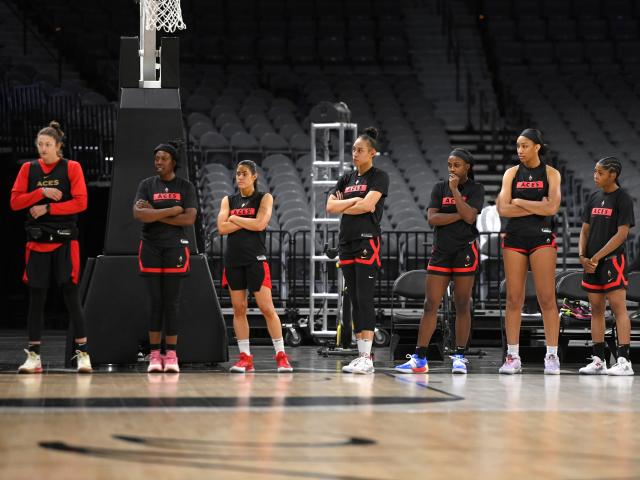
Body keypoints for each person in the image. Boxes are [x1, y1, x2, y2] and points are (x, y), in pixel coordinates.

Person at [10, 121, 92, 374]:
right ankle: (34, 357)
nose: (42, 149)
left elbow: (81, 203)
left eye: (47, 144)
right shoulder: (28, 169)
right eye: (39, 145)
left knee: (70, 295)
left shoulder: (72, 167)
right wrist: (42, 192)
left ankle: (83, 355)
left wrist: (49, 208)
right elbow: (15, 202)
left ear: (58, 146)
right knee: (36, 298)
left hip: (65, 241)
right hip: (37, 242)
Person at [395, 149, 484, 374]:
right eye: (449, 165)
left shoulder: (476, 189)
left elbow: (471, 217)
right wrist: (459, 214)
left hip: (465, 250)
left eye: (457, 165)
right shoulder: (438, 187)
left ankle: (460, 355)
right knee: (430, 304)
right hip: (441, 252)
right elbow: (433, 218)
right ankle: (420, 358)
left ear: (467, 167)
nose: (452, 169)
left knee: (462, 304)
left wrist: (455, 193)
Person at [496, 128, 562, 375]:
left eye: (525, 146)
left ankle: (552, 355)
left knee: (546, 298)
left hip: (542, 238)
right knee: (514, 299)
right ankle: (513, 356)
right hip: (515, 238)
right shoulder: (511, 173)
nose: (520, 151)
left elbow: (552, 207)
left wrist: (520, 202)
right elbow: (503, 209)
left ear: (537, 147)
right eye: (518, 146)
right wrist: (537, 206)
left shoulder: (551, 173)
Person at [217, 160, 293, 373]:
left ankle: (281, 356)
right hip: (233, 261)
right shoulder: (228, 200)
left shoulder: (264, 197)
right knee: (239, 309)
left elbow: (260, 224)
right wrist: (243, 220)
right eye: (237, 174)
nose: (239, 177)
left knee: (266, 308)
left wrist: (234, 218)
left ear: (254, 176)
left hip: (256, 260)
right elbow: (221, 228)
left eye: (244, 174)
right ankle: (245, 358)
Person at [327, 127, 389, 374]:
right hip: (346, 242)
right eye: (353, 149)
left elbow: (368, 205)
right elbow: (330, 206)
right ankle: (360, 355)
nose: (355, 153)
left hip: (367, 242)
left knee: (364, 298)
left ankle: (367, 357)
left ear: (372, 152)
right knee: (353, 299)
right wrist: (353, 203)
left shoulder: (379, 177)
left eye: (360, 150)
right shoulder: (346, 178)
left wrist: (348, 203)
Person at [133, 140, 197, 373]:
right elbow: (139, 214)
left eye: (163, 158)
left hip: (175, 248)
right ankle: (153, 356)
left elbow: (189, 219)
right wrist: (171, 211)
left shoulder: (185, 186)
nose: (158, 162)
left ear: (173, 162)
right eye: (156, 158)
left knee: (171, 303)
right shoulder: (146, 184)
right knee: (155, 303)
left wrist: (154, 213)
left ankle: (171, 355)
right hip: (150, 247)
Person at [579, 156, 634, 376]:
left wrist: (597, 257)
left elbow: (622, 234)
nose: (595, 176)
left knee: (619, 309)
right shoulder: (593, 197)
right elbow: (585, 230)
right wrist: (583, 256)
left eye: (600, 172)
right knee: (596, 311)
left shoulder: (623, 199)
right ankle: (598, 360)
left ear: (613, 174)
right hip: (592, 264)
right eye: (594, 171)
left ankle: (624, 361)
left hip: (612, 262)